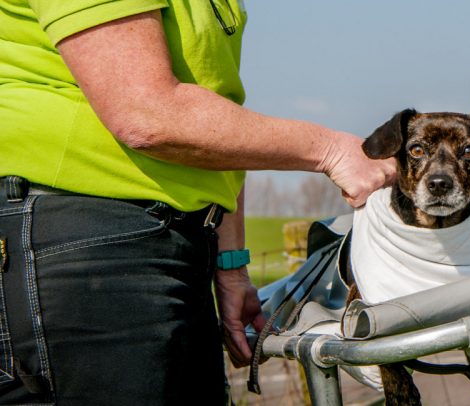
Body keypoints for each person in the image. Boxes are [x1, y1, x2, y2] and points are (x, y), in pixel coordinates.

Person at [0, 1, 394, 405]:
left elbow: (213, 122)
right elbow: (146, 112)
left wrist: (230, 264)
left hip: (175, 241)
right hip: (84, 244)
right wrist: (333, 151)